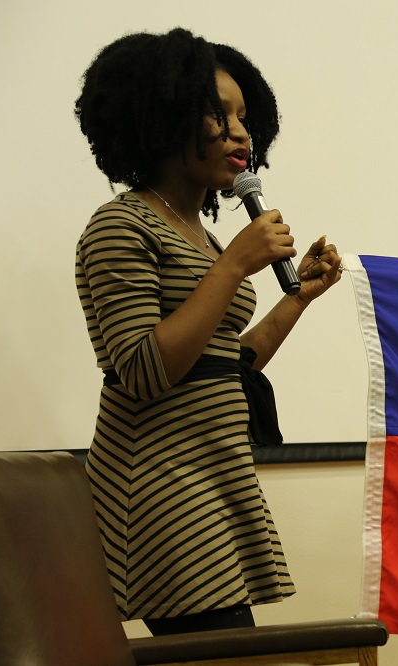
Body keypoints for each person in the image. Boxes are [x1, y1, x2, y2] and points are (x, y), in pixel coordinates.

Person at [73, 28, 342, 634]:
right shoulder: (122, 226)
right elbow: (143, 371)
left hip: (212, 473)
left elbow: (223, 361)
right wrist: (234, 265)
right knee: (221, 648)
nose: (241, 133)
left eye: (245, 117)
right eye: (219, 115)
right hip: (161, 485)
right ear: (163, 117)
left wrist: (297, 299)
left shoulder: (202, 235)